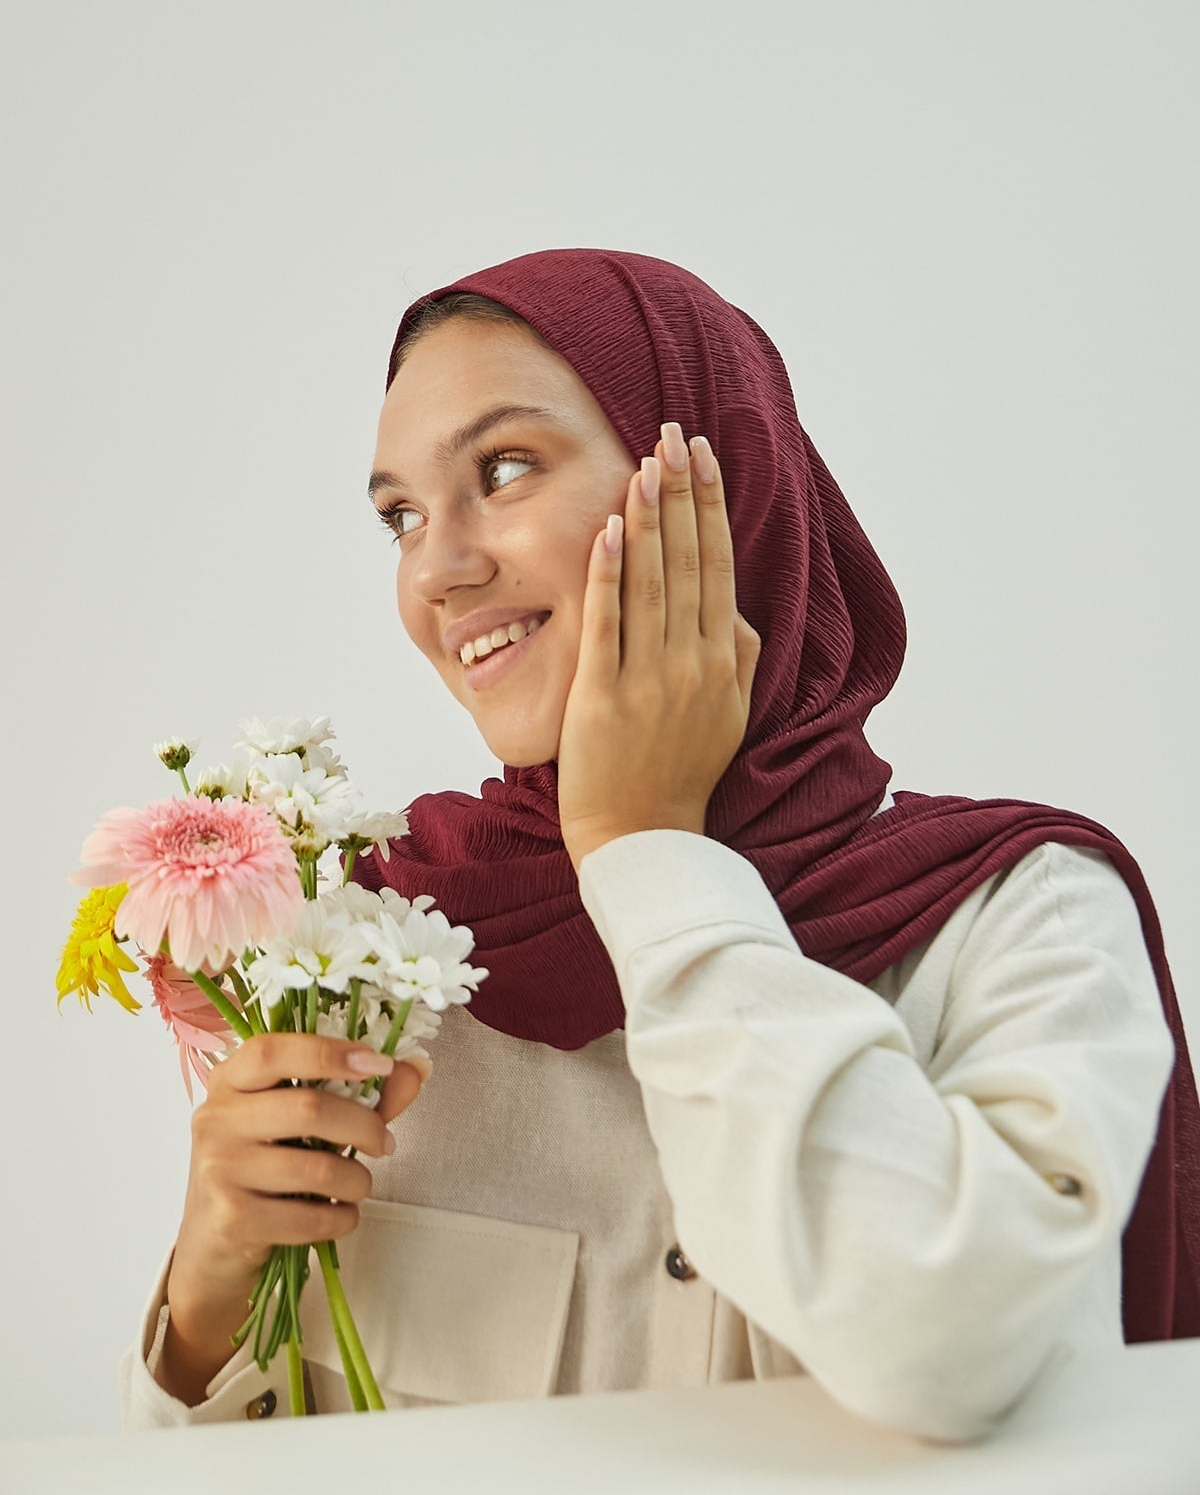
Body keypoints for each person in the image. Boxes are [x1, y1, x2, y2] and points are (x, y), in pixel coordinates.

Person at [121, 247, 1200, 1440]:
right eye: (401, 516)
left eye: (506, 467)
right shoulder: (382, 975)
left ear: (718, 485)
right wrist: (206, 1311)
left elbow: (939, 1353)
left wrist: (643, 850)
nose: (439, 565)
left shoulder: (1019, 921)